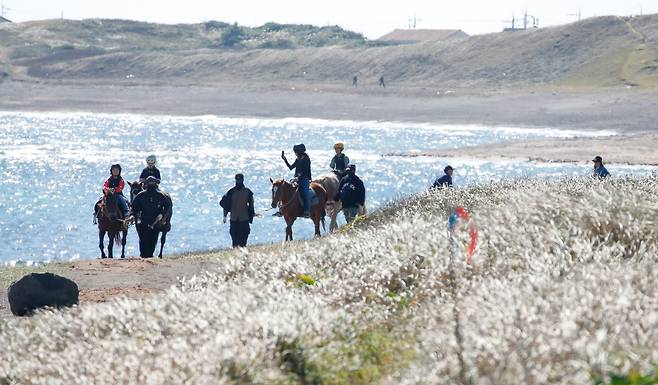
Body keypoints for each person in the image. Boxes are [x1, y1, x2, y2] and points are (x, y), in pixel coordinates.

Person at [131, 176, 171, 258]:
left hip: (155, 222)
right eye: (149, 183)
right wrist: (136, 216)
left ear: (156, 184)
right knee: (143, 241)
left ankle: (149, 257)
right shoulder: (141, 195)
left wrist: (163, 216)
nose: (151, 184)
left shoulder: (161, 195)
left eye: (153, 183)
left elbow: (167, 206)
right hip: (143, 222)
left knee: (153, 242)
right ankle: (144, 257)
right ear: (146, 184)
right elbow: (134, 207)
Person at [220, 174, 255, 248]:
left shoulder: (248, 192)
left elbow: (251, 205)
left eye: (240, 180)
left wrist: (252, 215)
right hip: (234, 219)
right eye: (238, 180)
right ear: (235, 180)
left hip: (243, 219)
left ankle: (242, 253)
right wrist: (224, 216)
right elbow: (225, 205)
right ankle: (237, 253)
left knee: (243, 240)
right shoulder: (231, 192)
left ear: (243, 180)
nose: (239, 181)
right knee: (235, 241)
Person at [282, 144, 312, 218]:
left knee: (305, 194)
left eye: (295, 152)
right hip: (298, 179)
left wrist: (299, 176)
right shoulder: (298, 159)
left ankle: (306, 211)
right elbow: (291, 167)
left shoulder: (306, 159)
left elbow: (306, 171)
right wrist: (285, 159)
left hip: (305, 179)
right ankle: (283, 209)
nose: (295, 153)